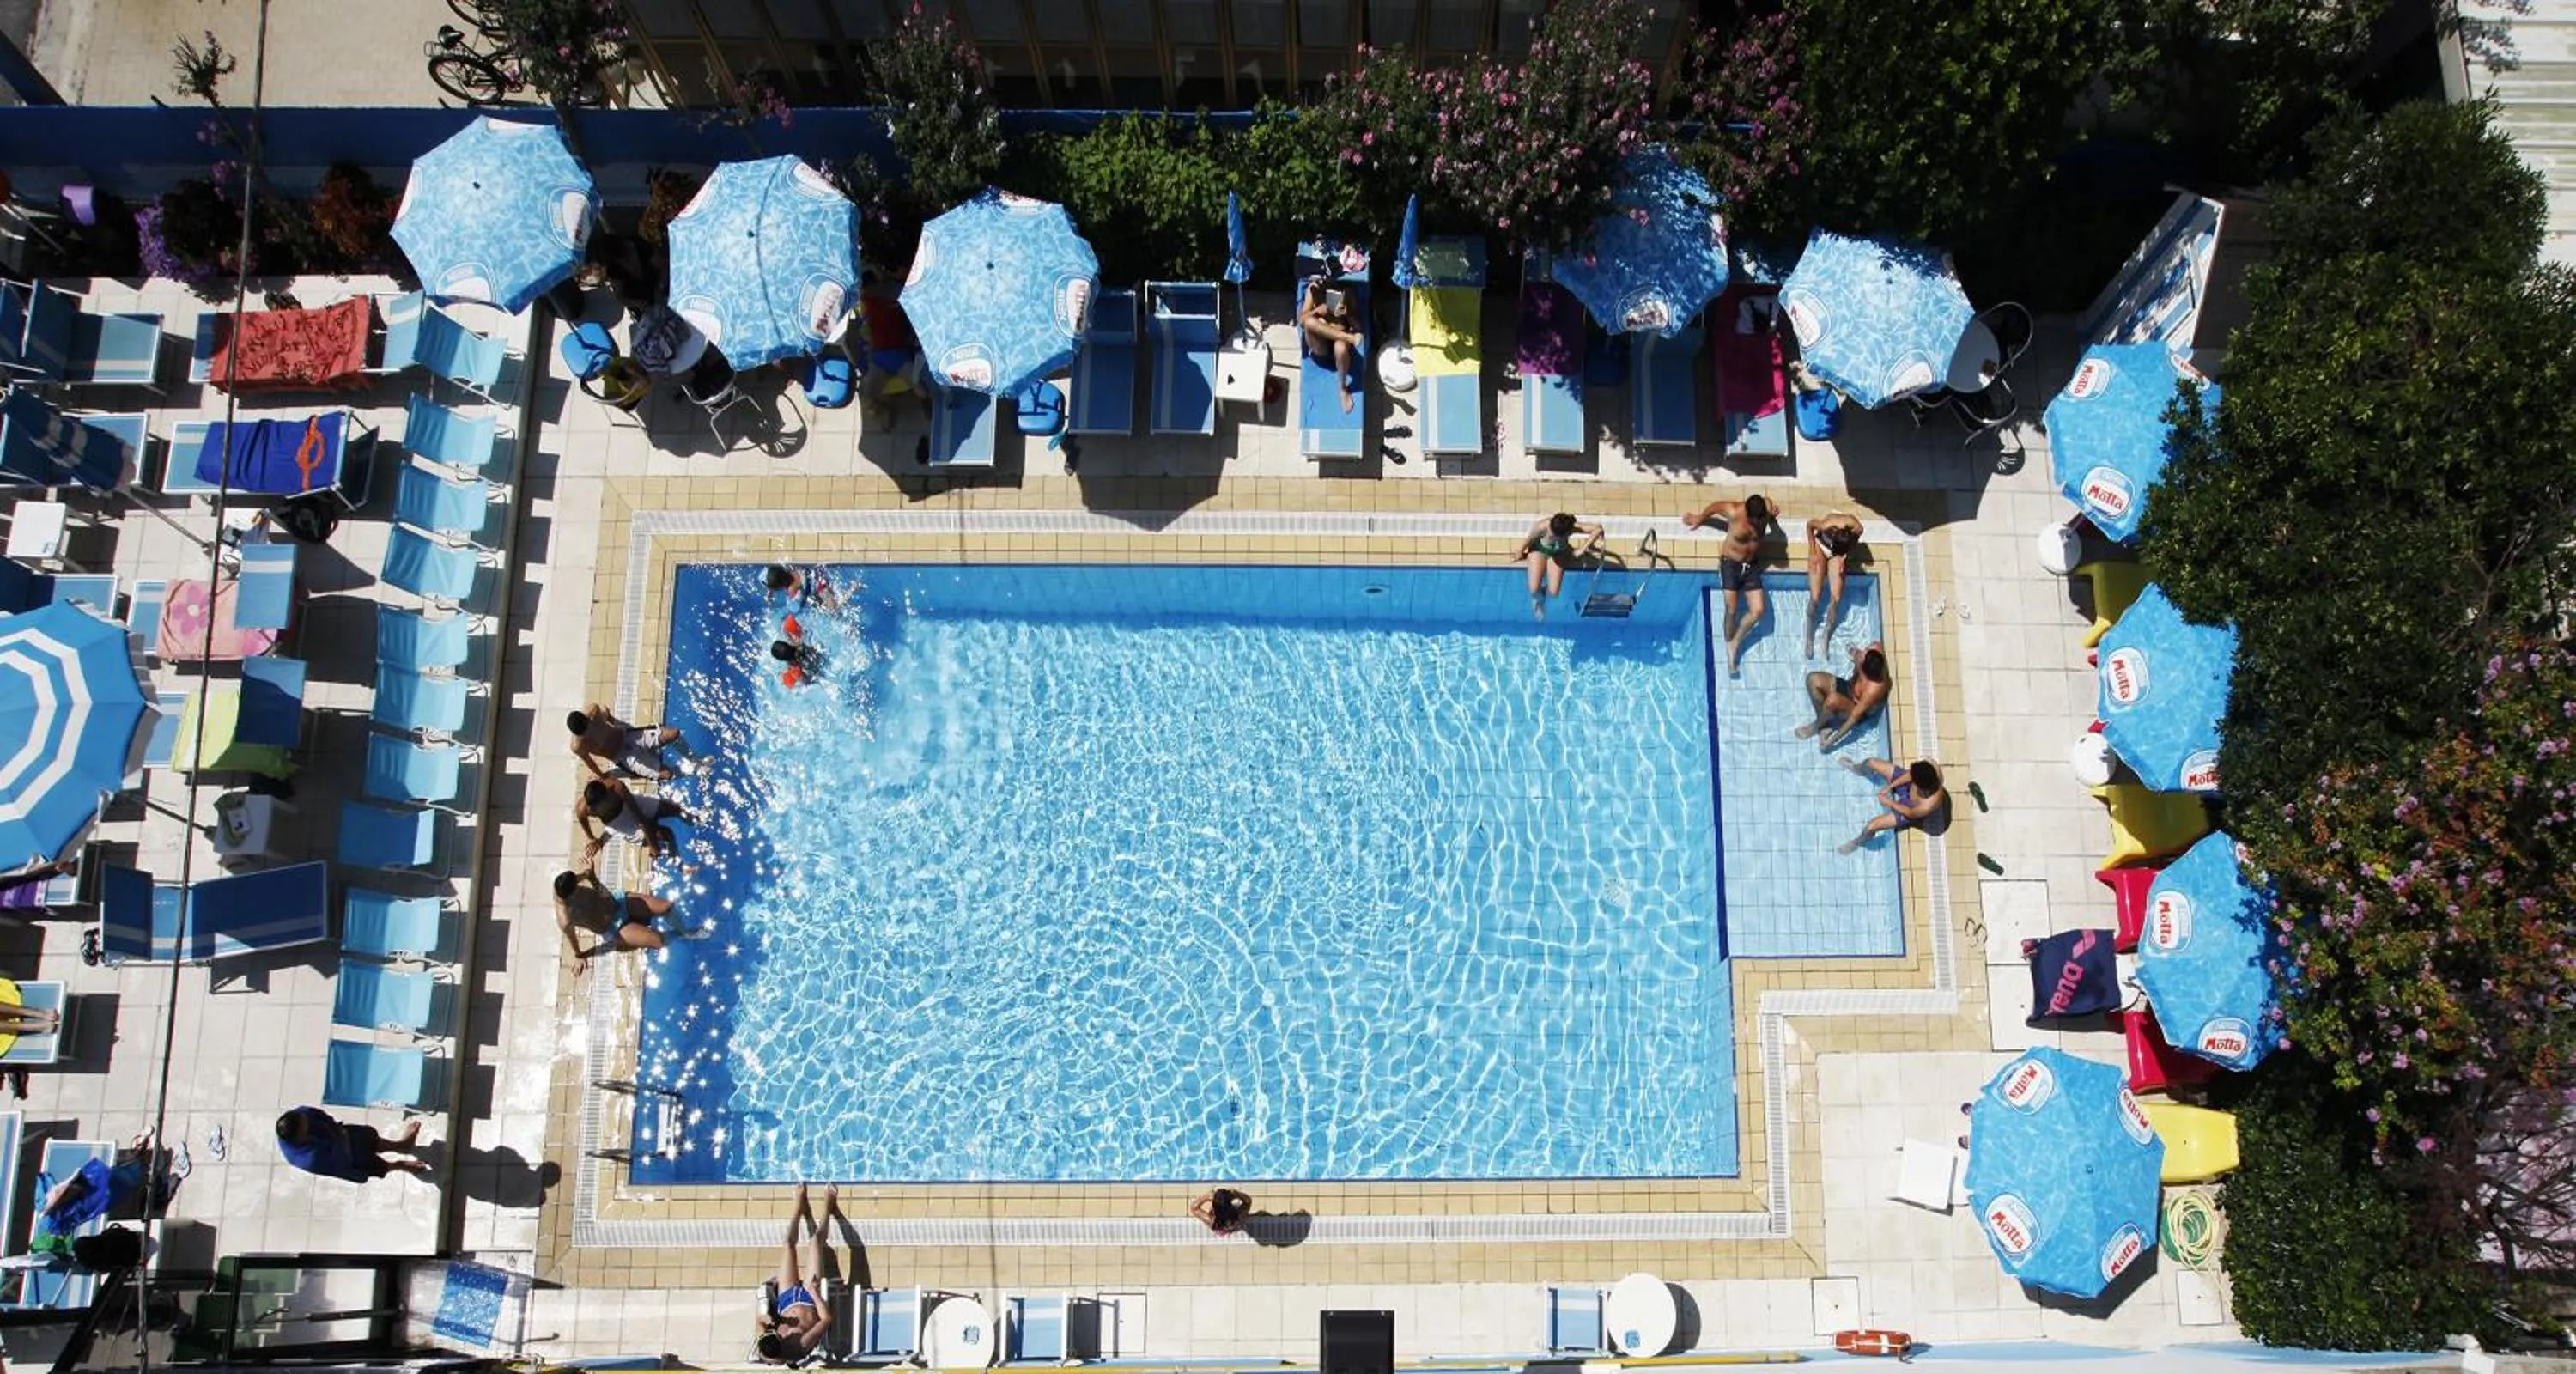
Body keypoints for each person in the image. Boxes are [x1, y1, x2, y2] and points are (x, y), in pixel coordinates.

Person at [1684, 495, 1776, 674]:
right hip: (1730, 564)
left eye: (1761, 519)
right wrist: (1699, 518)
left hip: (1751, 566)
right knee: (1732, 609)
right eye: (1754, 519)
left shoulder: (1766, 508)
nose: (1757, 523)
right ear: (1747, 513)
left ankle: (1735, 642)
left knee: (1758, 611)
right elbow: (1714, 507)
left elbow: (1769, 506)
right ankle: (1727, 638)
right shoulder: (1734, 511)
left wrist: (1773, 519)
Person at [755, 1183, 840, 1364]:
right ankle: (828, 1207)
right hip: (809, 1298)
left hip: (786, 1298)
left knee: (787, 1244)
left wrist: (768, 1319)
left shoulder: (765, 1345)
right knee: (815, 1242)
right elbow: (826, 1320)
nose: (783, 1335)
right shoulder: (800, 1345)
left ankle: (799, 1206)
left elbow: (759, 1322)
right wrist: (815, 1295)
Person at [555, 867, 678, 974]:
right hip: (614, 928)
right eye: (577, 889)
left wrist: (592, 876)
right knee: (660, 941)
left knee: (668, 907)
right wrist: (579, 955)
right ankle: (624, 943)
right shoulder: (565, 919)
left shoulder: (569, 883)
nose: (579, 886)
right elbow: (572, 938)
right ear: (570, 896)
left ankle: (693, 931)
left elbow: (588, 876)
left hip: (619, 903)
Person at [275, 1106, 431, 1182]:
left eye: (306, 1122)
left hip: (338, 1134)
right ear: (299, 1138)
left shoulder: (302, 1114)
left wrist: (336, 1130)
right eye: (306, 1129)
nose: (308, 1124)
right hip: (346, 1159)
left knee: (372, 1140)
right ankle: (399, 1165)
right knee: (378, 1166)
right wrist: (340, 1140)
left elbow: (319, 1114)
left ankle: (401, 1146)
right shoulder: (310, 1159)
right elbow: (341, 1164)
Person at [856, 275, 927, 429]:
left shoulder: (898, 300)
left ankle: (931, 412)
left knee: (921, 390)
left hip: (900, 357)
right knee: (867, 397)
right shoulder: (869, 300)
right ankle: (885, 411)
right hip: (879, 360)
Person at [1838, 757, 1947, 854]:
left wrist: (1889, 803)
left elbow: (1911, 813)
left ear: (1920, 785)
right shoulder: (1929, 768)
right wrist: (1890, 787)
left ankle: (1857, 842)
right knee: (1871, 762)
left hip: (1910, 807)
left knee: (1871, 827)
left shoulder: (1927, 805)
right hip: (1907, 788)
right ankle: (1857, 769)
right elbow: (1909, 775)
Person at [1796, 641, 1892, 751]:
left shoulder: (1873, 690)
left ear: (1868, 675)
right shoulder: (1875, 648)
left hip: (1856, 706)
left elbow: (1854, 718)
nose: (1862, 653)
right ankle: (1824, 724)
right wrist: (1854, 652)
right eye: (1865, 652)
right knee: (1812, 679)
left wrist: (1832, 741)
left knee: (1832, 701)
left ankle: (1816, 726)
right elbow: (1865, 651)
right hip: (1848, 686)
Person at [568, 704, 696, 782]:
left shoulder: (593, 711)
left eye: (588, 727)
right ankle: (617, 773)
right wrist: (601, 775)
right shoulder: (578, 746)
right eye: (585, 733)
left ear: (587, 718)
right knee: (667, 775)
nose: (589, 732)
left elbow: (606, 714)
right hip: (622, 757)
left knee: (674, 734)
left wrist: (611, 718)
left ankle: (694, 759)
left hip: (628, 736)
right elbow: (589, 762)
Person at [1515, 513, 1604, 618]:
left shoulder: (1571, 528)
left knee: (1554, 593)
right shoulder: (1542, 527)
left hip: (1559, 553)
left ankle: (1542, 593)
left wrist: (1582, 549)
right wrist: (1520, 552)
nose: (1554, 537)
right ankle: (1538, 601)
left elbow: (1597, 529)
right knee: (1533, 589)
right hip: (1539, 550)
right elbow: (1529, 540)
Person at [580, 777, 688, 862]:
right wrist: (592, 838)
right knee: (662, 833)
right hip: (617, 823)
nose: (595, 809)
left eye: (599, 806)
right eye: (594, 808)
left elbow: (640, 818)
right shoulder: (586, 808)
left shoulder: (617, 788)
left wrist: (653, 846)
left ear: (608, 795)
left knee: (674, 808)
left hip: (627, 804)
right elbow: (582, 818)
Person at [1802, 511, 1864, 658]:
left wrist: (1844, 557)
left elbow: (1854, 540)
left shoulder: (1857, 528)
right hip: (1821, 546)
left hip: (1839, 552)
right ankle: (1809, 636)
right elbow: (1809, 525)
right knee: (1815, 597)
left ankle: (1825, 637)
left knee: (1835, 599)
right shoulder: (1826, 525)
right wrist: (1812, 551)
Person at [1299, 277, 1363, 412]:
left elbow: (1358, 327)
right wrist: (1316, 311)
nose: (1324, 282)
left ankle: (1343, 388)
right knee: (1310, 322)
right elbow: (1302, 320)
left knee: (1340, 347)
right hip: (1320, 346)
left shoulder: (1347, 292)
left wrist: (1348, 313)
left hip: (1341, 349)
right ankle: (1348, 338)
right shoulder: (1313, 289)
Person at [772, 617, 825, 689]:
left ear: (782, 660)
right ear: (787, 644)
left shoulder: (795, 671)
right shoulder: (800, 643)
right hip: (820, 653)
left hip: (817, 670)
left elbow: (808, 682)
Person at [764, 564, 841, 612]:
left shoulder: (792, 589)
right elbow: (777, 574)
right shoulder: (791, 567)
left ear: (780, 585)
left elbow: (800, 605)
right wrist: (770, 590)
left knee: (832, 610)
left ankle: (839, 602)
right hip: (818, 573)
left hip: (819, 589)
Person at [1189, 1187, 1253, 1235]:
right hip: (1234, 1224)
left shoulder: (1213, 1221)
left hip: (1220, 1228)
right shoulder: (1238, 1214)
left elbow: (1194, 1208)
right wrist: (1237, 1194)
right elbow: (1248, 1201)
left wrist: (1206, 1196)